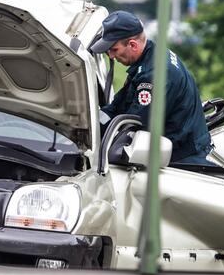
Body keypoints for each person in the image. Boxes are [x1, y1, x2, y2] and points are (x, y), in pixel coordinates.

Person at [90, 10, 211, 164]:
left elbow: (135, 126)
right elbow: (117, 107)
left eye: (114, 50)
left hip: (184, 160)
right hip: (176, 152)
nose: (111, 56)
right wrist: (92, 125)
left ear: (133, 45)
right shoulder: (147, 60)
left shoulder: (154, 74)